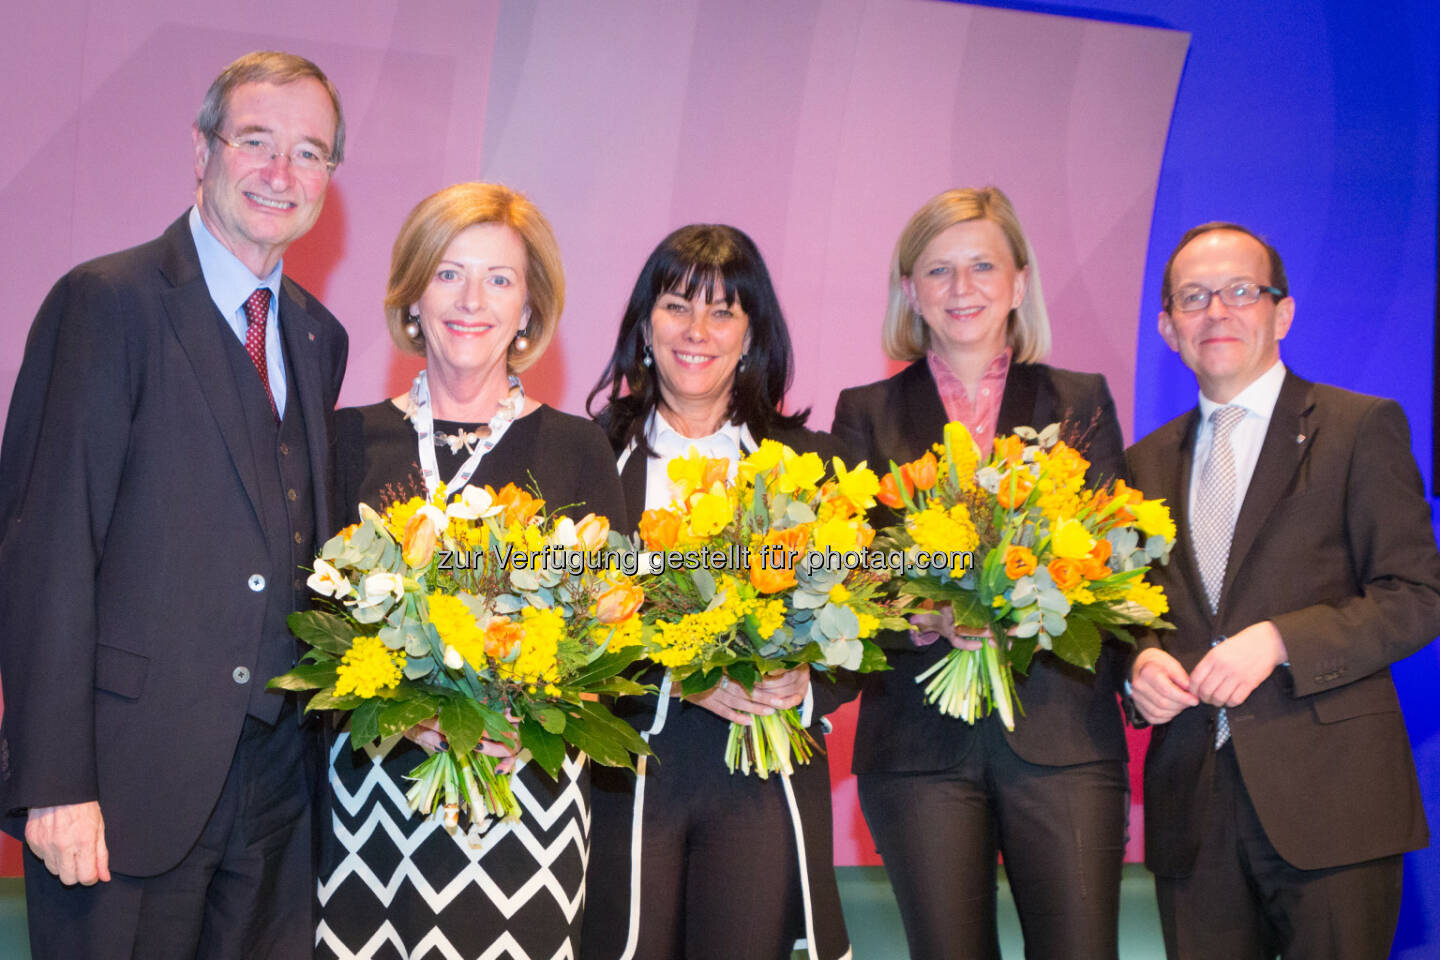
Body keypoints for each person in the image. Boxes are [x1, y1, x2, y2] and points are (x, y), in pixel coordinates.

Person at [0, 51, 348, 959]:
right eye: (257, 141)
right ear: (201, 152)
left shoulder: (317, 335)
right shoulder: (105, 304)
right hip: (121, 790)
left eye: (310, 153)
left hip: (275, 796)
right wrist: (53, 782)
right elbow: (45, 550)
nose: (283, 172)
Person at [314, 181, 626, 959]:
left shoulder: (578, 446)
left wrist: (530, 710)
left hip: (529, 805)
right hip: (372, 804)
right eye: (449, 273)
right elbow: (309, 623)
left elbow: (621, 630)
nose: (471, 300)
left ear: (528, 310)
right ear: (414, 294)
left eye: (499, 279)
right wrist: (404, 708)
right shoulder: (345, 439)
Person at [1126, 222, 1440, 959]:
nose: (1217, 312)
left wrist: (1280, 641)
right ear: (1169, 327)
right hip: (1192, 808)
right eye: (1194, 298)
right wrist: (1137, 665)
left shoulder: (1360, 427)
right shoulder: (1139, 465)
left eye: (1241, 291)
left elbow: (1417, 594)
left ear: (1282, 312)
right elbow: (1126, 614)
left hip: (1333, 803)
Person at [831, 186, 1128, 959]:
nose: (961, 290)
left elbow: (1111, 563)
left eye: (982, 267)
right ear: (910, 291)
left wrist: (1031, 601)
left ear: (1019, 284)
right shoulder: (864, 411)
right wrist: (921, 613)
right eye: (938, 271)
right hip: (918, 750)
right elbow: (844, 579)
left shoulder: (1080, 401)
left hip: (1061, 736)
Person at [582, 224, 851, 960]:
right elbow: (560, 626)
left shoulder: (809, 463)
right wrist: (675, 677)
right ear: (644, 324)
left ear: (752, 333)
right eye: (676, 305)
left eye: (724, 310)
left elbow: (864, 624)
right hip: (627, 768)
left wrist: (802, 686)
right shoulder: (589, 458)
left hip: (760, 773)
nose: (697, 330)